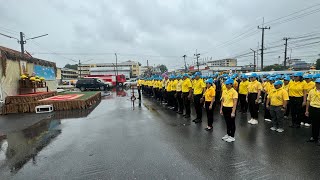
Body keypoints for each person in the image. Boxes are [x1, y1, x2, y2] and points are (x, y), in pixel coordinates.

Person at [305, 78, 320, 145]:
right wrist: (307, 110)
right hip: (313, 109)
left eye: (319, 83)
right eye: (316, 83)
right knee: (314, 124)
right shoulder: (311, 91)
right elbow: (308, 101)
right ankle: (314, 137)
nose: (317, 84)